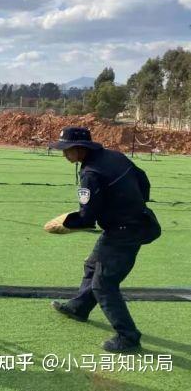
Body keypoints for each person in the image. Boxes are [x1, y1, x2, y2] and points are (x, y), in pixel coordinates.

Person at [46, 126, 161, 353]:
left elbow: (87, 216)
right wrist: (132, 204)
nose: (63, 154)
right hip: (135, 222)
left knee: (104, 285)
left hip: (123, 231)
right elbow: (143, 180)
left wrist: (65, 224)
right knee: (92, 265)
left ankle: (128, 337)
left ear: (79, 149)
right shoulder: (115, 157)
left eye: (66, 149)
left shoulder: (90, 173)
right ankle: (79, 307)